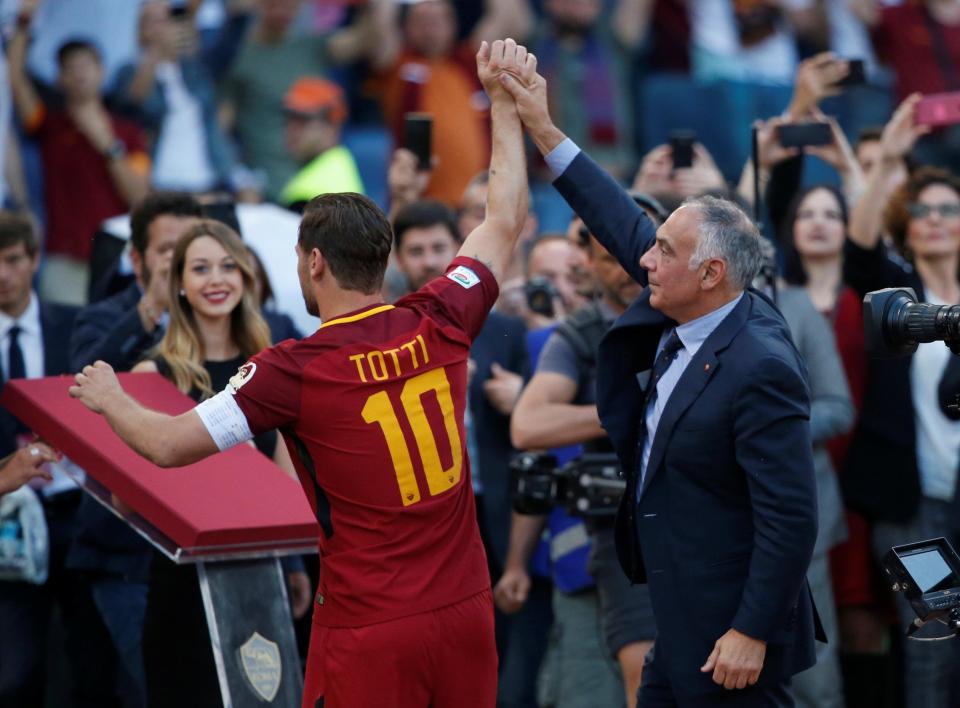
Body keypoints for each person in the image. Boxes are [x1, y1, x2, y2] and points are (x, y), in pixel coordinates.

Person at [69, 38, 531, 708]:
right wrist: (508, 105)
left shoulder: (291, 369)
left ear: (313, 263)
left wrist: (110, 397)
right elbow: (505, 217)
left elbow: (168, 447)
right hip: (465, 611)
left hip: (370, 628)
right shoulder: (442, 313)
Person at [496, 49, 820, 705]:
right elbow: (621, 221)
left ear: (711, 275)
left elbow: (790, 518)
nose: (643, 258)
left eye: (664, 252)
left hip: (730, 632)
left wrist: (751, 631)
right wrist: (543, 127)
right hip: (674, 613)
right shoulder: (694, 295)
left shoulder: (761, 367)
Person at [128, 219, 298, 708]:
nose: (216, 279)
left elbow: (289, 488)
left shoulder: (273, 367)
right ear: (178, 282)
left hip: (261, 574)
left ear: (247, 278)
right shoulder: (152, 374)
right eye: (200, 268)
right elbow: (132, 491)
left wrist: (294, 568)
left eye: (228, 267)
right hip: (179, 583)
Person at [507, 224, 656, 708]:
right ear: (588, 265)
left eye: (641, 256)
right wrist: (629, 413)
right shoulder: (578, 334)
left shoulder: (694, 319)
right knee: (636, 678)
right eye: (610, 258)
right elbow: (529, 428)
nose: (628, 269)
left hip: (702, 526)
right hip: (612, 536)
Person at [845, 93, 960, 708]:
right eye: (923, 209)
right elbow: (858, 252)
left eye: (950, 208)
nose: (936, 218)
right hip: (912, 507)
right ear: (907, 222)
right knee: (932, 646)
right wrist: (888, 159)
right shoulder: (893, 295)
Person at [0, 213, 119, 707]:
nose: (2, 275)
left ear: (33, 260)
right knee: (15, 672)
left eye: (11, 261)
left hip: (78, 514)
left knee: (93, 663)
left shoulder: (75, 323)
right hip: (7, 520)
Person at [8, 0, 150, 305]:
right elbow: (16, 80)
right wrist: (23, 21)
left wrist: (107, 144)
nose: (79, 74)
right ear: (59, 78)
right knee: (63, 340)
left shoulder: (128, 133)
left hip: (118, 256)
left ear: (102, 71)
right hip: (64, 259)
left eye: (86, 65)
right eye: (70, 68)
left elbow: (140, 196)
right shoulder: (50, 126)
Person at [279, 77, 364, 211]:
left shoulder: (317, 192)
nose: (292, 128)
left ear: (332, 127)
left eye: (303, 120)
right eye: (290, 118)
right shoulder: (338, 163)